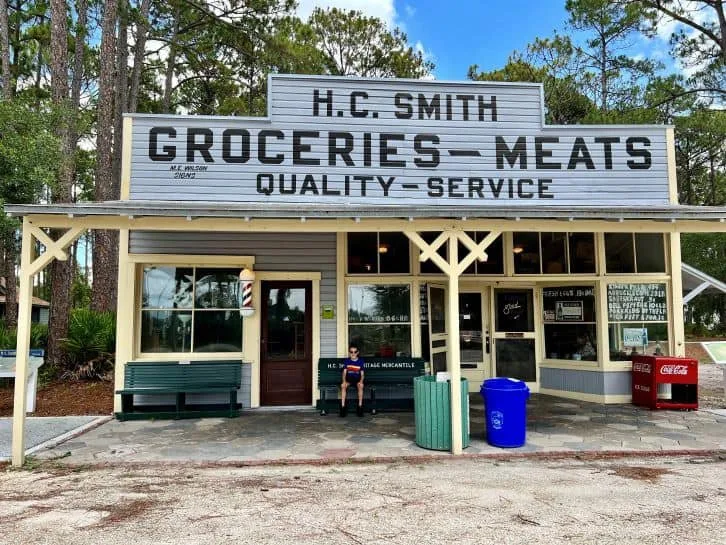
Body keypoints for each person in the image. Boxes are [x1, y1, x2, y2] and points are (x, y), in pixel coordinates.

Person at [340, 344, 365, 417]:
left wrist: (361, 381)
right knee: (343, 386)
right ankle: (343, 407)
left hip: (357, 380)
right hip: (349, 380)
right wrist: (344, 381)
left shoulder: (360, 361)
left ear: (357, 353)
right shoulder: (347, 361)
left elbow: (362, 374)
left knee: (361, 386)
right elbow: (344, 373)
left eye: (355, 352)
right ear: (349, 353)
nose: (353, 353)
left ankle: (360, 407)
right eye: (351, 352)